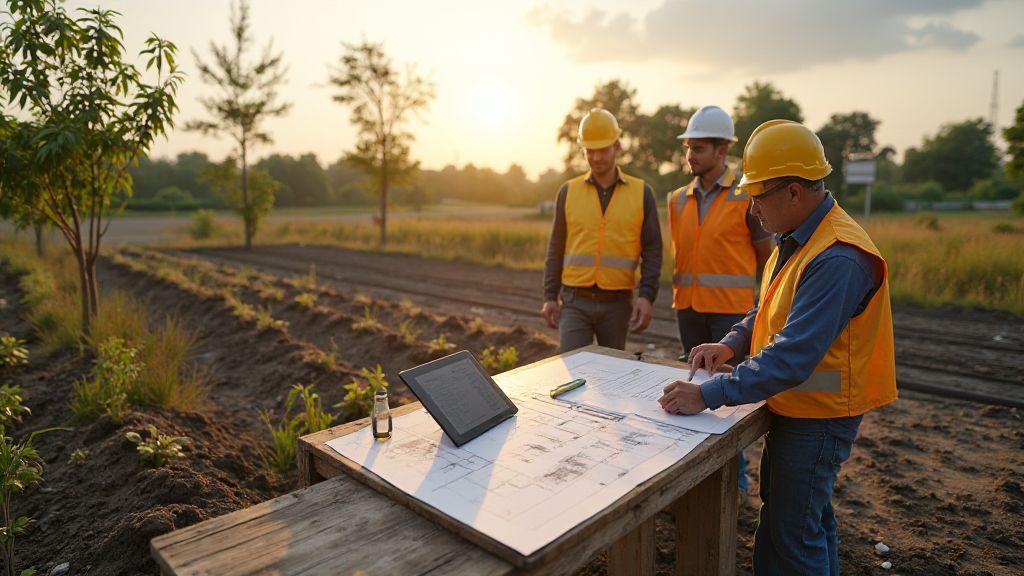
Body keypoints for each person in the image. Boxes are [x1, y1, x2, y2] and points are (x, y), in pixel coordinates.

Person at [658, 119, 897, 575]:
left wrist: (707, 394)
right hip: (800, 409)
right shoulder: (799, 237)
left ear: (793, 192)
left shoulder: (838, 256)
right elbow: (770, 307)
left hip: (820, 419)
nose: (751, 208)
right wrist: (730, 344)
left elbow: (792, 356)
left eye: (758, 195)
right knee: (808, 523)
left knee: (790, 543)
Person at [667, 105, 772, 490]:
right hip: (688, 309)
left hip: (730, 314)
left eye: (698, 148)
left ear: (721, 151)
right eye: (688, 148)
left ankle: (734, 481)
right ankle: (695, 476)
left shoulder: (746, 197)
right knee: (692, 388)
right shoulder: (677, 199)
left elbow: (767, 259)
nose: (690, 156)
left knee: (725, 397)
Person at [542, 108, 662, 352]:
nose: (596, 157)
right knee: (572, 368)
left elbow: (652, 250)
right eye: (590, 151)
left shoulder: (642, 193)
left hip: (618, 305)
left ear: (617, 146)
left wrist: (646, 296)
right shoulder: (568, 191)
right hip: (574, 301)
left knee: (612, 370)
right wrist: (549, 296)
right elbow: (556, 248)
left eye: (603, 150)